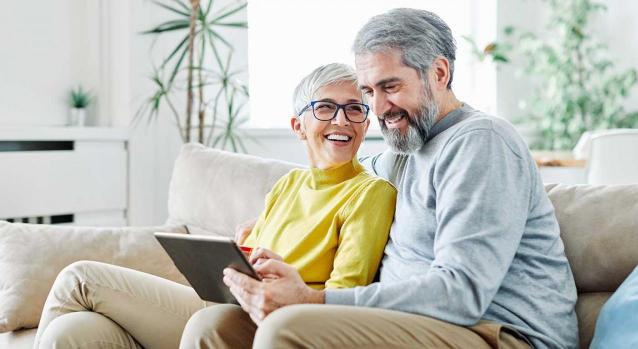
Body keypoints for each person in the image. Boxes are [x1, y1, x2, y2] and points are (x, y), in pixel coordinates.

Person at [218, 8, 578, 349]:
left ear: (439, 73)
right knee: (218, 328)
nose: (378, 108)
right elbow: (334, 180)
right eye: (369, 92)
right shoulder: (406, 150)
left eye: (390, 87)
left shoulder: (481, 143)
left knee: (287, 327)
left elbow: (462, 293)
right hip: (419, 325)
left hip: (498, 332)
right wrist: (273, 220)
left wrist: (316, 299)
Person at [33, 63, 397, 349]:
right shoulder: (289, 185)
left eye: (354, 110)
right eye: (326, 108)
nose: (341, 121)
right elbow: (258, 259)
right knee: (70, 333)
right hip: (224, 300)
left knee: (79, 277)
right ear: (298, 126)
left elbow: (344, 295)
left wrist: (287, 281)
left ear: (366, 124)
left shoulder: (371, 192)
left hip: (265, 319)